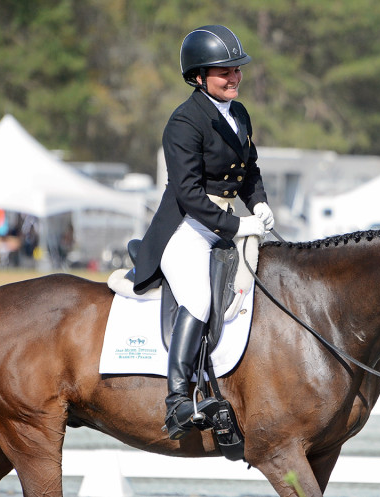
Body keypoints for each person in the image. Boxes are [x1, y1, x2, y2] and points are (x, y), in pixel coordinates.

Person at [133, 25, 274, 440]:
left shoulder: (240, 113)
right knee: (198, 297)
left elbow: (249, 170)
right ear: (198, 77)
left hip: (229, 227)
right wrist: (236, 224)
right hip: (186, 229)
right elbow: (189, 194)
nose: (233, 78)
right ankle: (178, 400)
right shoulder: (184, 122)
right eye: (223, 72)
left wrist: (260, 202)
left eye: (237, 70)